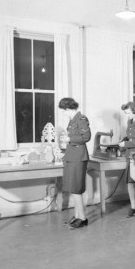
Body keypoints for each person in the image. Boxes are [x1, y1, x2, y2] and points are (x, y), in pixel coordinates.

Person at [58, 97, 92, 230]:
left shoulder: (81, 119)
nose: (63, 113)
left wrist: (69, 138)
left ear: (68, 109)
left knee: (76, 188)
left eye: (63, 110)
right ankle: (78, 216)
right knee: (74, 187)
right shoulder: (73, 120)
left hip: (78, 157)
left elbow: (86, 137)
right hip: (72, 156)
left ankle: (83, 218)